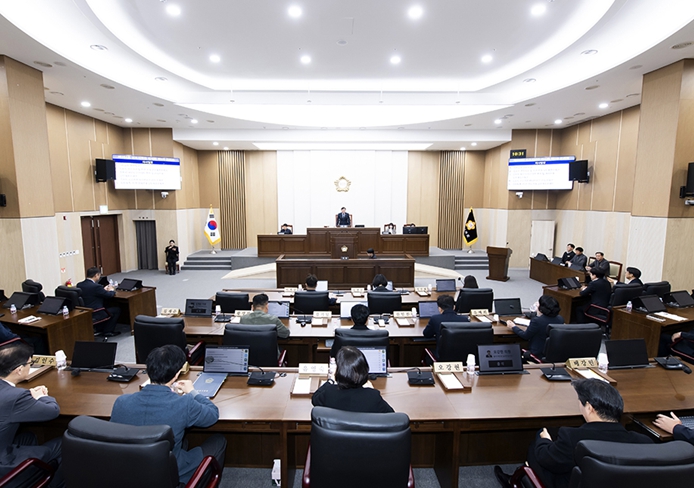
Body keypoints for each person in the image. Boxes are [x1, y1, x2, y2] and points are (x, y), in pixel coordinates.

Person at [495, 379, 652, 488]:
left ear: (589, 408)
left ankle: (516, 479)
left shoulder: (573, 438)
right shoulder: (644, 443)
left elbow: (546, 459)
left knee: (537, 444)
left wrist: (544, 441)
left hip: (570, 484)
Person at [110, 345, 227, 484]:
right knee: (219, 441)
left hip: (127, 470)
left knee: (184, 442)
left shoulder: (121, 402)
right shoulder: (184, 403)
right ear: (177, 374)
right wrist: (192, 391)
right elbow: (212, 415)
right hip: (168, 472)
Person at [0, 339, 63, 486]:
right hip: (2, 465)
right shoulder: (16, 397)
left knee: (29, 436)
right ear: (19, 370)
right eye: (30, 363)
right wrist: (42, 396)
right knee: (65, 442)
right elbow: (53, 411)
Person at [312, 346, 393, 413]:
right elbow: (391, 415)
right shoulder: (373, 396)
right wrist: (370, 390)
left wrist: (330, 380)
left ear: (339, 371)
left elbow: (315, 399)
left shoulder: (329, 392)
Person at [77, 266, 121, 337]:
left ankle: (99, 328)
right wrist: (112, 290)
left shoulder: (80, 284)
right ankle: (108, 331)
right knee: (117, 310)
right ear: (96, 275)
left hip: (85, 311)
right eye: (99, 275)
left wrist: (103, 289)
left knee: (107, 305)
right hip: (96, 312)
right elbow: (109, 295)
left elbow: (91, 292)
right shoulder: (96, 287)